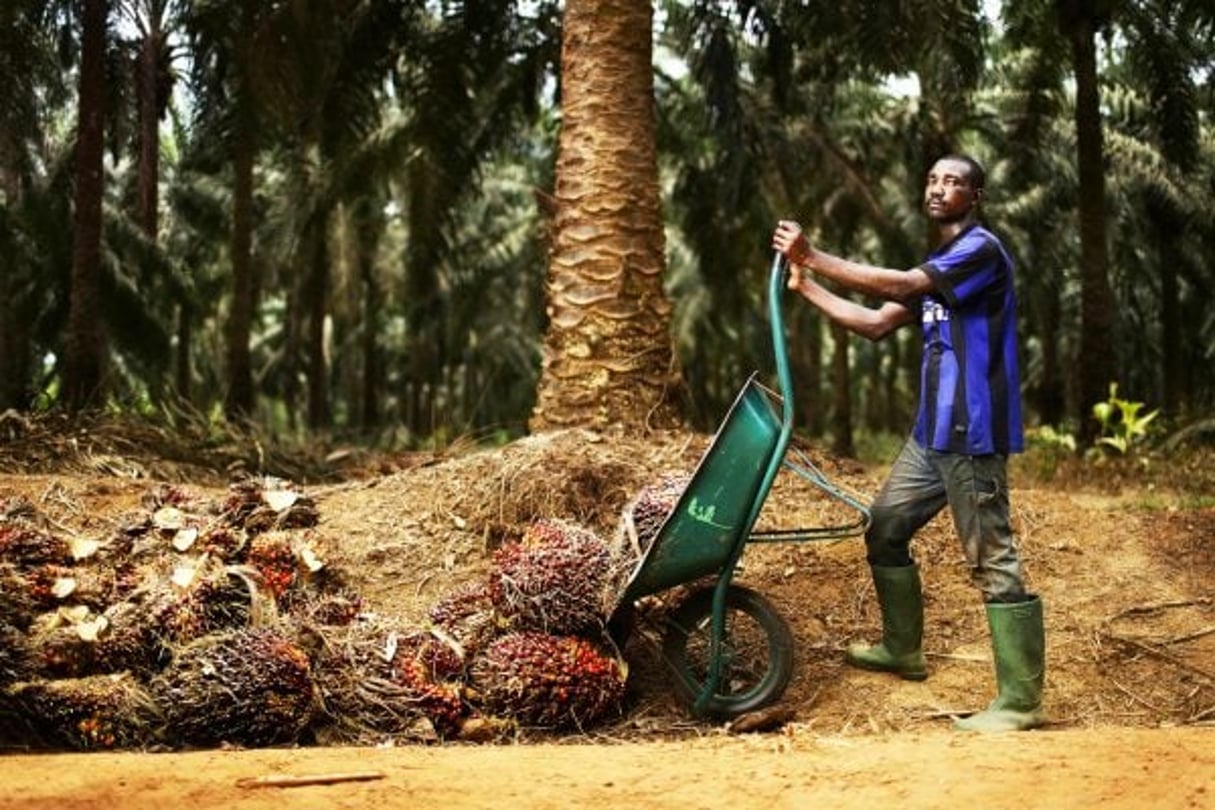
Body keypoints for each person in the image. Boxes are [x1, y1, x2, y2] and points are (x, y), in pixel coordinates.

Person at [771, 154, 1045, 733]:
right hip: (933, 433)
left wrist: (812, 253)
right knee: (886, 525)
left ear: (976, 197)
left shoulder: (980, 251)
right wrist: (807, 285)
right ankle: (903, 649)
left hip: (972, 431)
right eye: (933, 180)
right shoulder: (945, 263)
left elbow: (902, 284)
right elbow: (875, 322)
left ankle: (1021, 701)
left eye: (955, 183)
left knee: (991, 556)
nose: (940, 189)